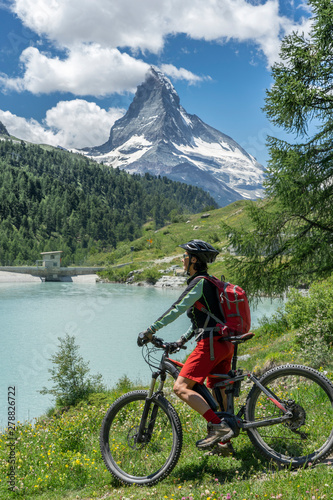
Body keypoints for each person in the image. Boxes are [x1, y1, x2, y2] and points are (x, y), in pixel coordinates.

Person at [137, 239, 235, 456]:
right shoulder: (210, 282)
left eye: (184, 256)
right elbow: (204, 319)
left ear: (193, 260)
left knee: (180, 387)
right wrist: (182, 340)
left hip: (210, 345)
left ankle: (218, 427)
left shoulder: (199, 282)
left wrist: (150, 330)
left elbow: (177, 308)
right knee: (217, 388)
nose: (182, 259)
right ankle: (225, 445)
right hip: (224, 344)